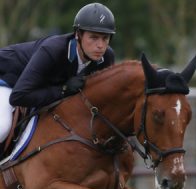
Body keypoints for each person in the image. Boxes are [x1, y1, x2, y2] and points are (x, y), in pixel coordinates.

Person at [0, 3, 116, 149]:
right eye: (93, 37)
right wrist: (62, 90)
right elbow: (19, 96)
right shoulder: (53, 50)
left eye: (105, 38)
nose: (100, 45)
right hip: (7, 78)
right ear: (78, 35)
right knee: (2, 127)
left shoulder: (106, 58)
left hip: (32, 86)